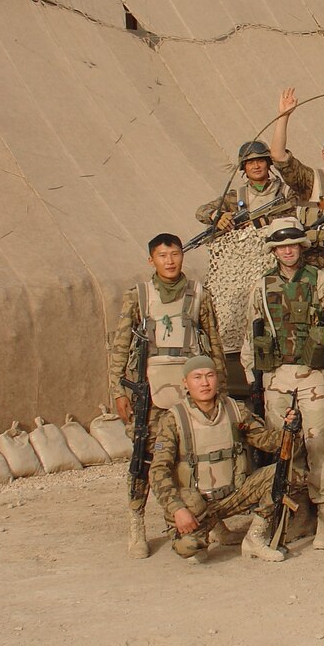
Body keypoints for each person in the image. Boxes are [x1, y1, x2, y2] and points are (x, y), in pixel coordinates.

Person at [108, 233, 230, 558]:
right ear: (152, 260)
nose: (170, 261)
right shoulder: (139, 296)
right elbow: (121, 345)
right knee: (146, 456)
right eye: (162, 256)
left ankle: (210, 517)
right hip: (152, 391)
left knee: (198, 451)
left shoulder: (199, 294)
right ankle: (137, 521)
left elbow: (213, 341)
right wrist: (118, 389)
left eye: (174, 254)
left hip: (192, 388)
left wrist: (222, 387)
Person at [241, 217, 324, 550]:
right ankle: (300, 513)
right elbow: (251, 335)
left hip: (313, 374)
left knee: (319, 445)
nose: (287, 251)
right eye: (281, 246)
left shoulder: (322, 281)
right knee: (287, 451)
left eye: (293, 245)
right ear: (274, 250)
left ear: (301, 247)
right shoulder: (261, 286)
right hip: (276, 378)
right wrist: (253, 377)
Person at [148, 355, 301, 564]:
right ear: (185, 382)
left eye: (210, 376)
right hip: (199, 504)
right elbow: (158, 472)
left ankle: (255, 538)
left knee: (282, 474)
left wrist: (289, 430)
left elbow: (267, 441)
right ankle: (211, 530)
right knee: (189, 549)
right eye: (197, 377)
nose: (204, 383)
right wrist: (178, 509)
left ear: (217, 379)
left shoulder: (235, 410)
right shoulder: (174, 419)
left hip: (234, 494)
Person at [195, 140, 293, 230]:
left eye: (260, 161)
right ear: (244, 167)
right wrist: (217, 216)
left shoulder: (286, 191)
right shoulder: (236, 197)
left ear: (268, 164)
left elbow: (298, 214)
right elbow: (201, 211)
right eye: (250, 162)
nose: (256, 166)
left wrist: (265, 221)